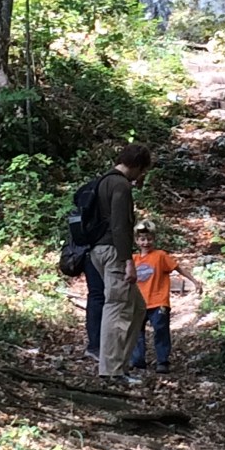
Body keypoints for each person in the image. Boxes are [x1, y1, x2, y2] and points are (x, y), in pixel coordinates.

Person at [90, 143, 152, 385]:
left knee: (136, 307)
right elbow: (120, 226)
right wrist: (129, 261)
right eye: (142, 170)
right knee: (117, 308)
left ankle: (120, 365)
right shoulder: (121, 185)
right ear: (136, 165)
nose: (141, 176)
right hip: (114, 252)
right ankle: (112, 371)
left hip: (98, 249)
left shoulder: (104, 180)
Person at [130, 219, 202, 374]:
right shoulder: (133, 259)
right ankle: (137, 360)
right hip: (138, 303)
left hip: (158, 301)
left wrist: (194, 281)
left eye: (149, 239)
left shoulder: (160, 256)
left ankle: (162, 361)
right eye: (142, 239)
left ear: (154, 239)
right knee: (136, 332)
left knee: (161, 331)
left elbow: (178, 268)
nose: (146, 242)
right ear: (136, 241)